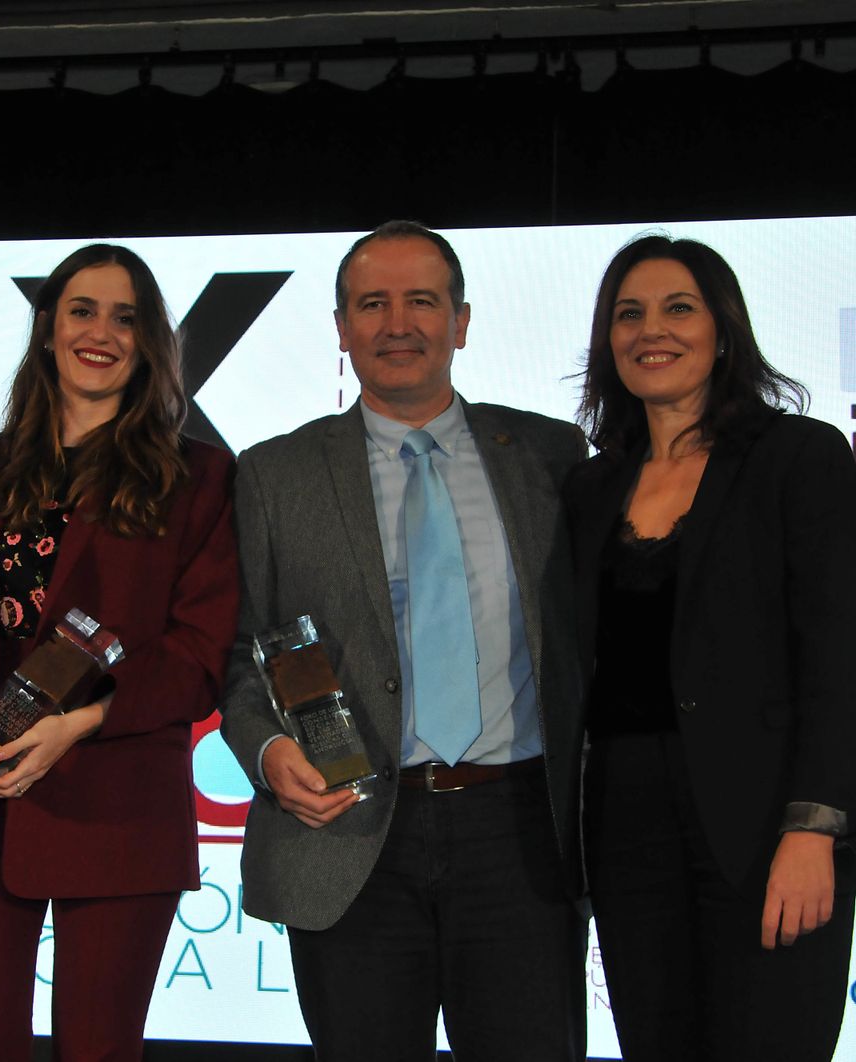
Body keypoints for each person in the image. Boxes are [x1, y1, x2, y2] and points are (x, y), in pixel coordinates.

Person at [219, 221, 589, 1060]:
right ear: (342, 328)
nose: (397, 324)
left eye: (422, 300)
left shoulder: (550, 455)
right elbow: (242, 651)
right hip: (347, 835)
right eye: (372, 303)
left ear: (461, 321)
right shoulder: (275, 474)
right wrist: (269, 749)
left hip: (520, 836)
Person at [563, 234, 856, 1061]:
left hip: (768, 823)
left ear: (724, 329)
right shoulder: (591, 486)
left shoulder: (799, 458)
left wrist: (814, 828)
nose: (653, 330)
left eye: (680, 308)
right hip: (626, 825)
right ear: (608, 340)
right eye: (628, 314)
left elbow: (839, 662)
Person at [0, 243, 239, 1062]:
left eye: (126, 317)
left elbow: (200, 656)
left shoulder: (198, 477)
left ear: (151, 341)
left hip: (120, 802)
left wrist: (83, 721)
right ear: (48, 328)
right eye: (83, 311)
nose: (103, 333)